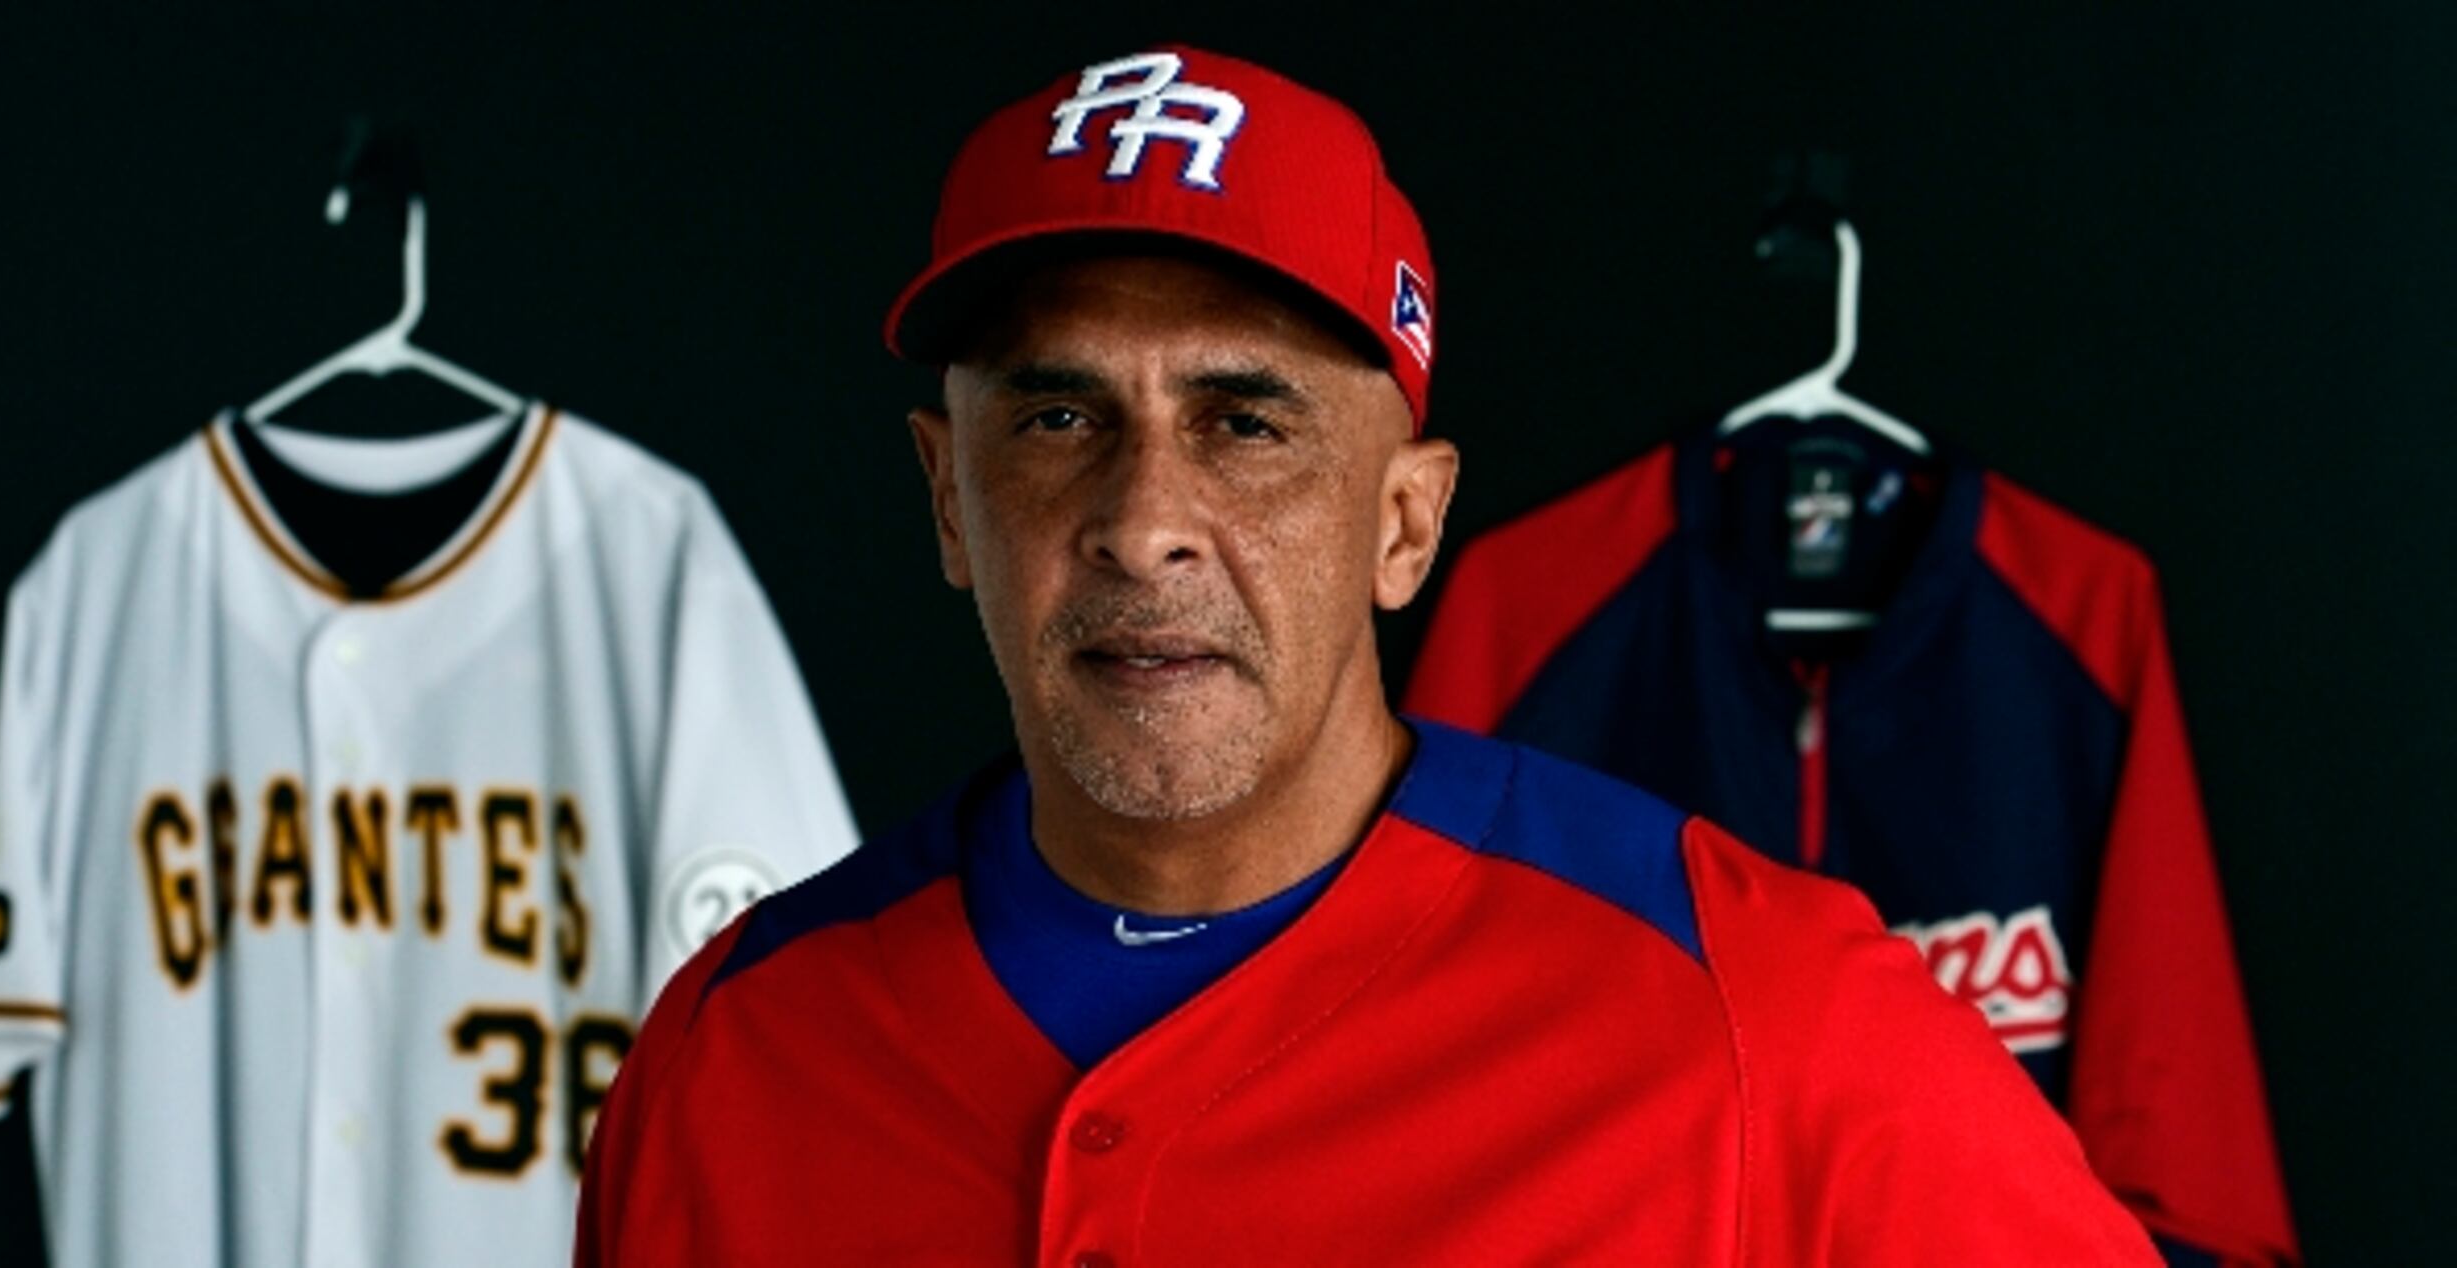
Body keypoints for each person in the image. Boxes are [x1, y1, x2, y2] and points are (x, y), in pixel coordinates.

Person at [576, 46, 2159, 1266]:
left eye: (1246, 424)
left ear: (1407, 522)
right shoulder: (738, 1050)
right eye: (1058, 420)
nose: (1145, 523)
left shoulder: (1764, 1017)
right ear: (945, 496)